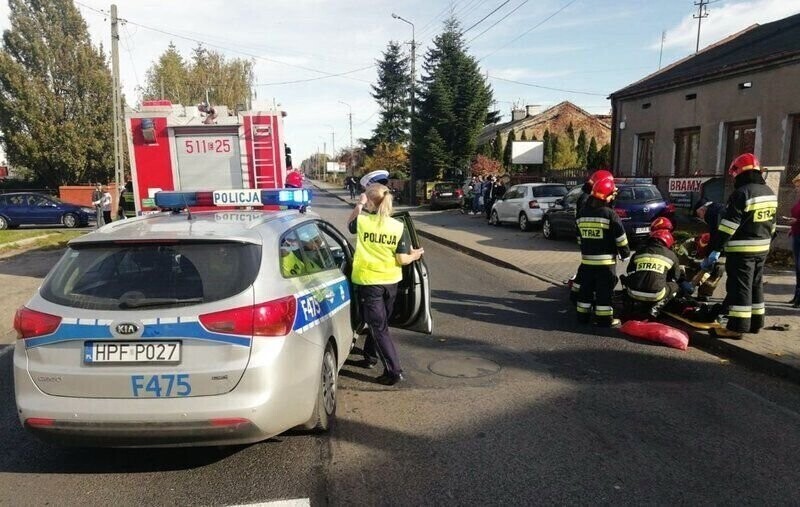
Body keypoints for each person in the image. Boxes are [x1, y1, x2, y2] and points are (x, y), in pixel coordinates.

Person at [348, 183, 424, 385]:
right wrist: (415, 255)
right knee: (380, 324)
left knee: (378, 327)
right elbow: (402, 260)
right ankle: (370, 357)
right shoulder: (398, 226)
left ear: (370, 202)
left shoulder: (363, 222)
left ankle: (394, 371)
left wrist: (359, 204)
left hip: (369, 282)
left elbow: (350, 223)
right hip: (391, 283)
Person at [703, 153, 778, 335]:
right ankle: (755, 323)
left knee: (740, 287)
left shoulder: (741, 193)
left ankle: (736, 328)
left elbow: (729, 226)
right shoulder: (769, 192)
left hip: (742, 250)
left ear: (737, 173)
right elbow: (773, 225)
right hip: (762, 248)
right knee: (755, 285)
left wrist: (716, 249)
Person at [575, 178, 630, 327]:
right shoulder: (610, 214)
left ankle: (582, 316)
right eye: (612, 195)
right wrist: (625, 253)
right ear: (605, 196)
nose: (613, 197)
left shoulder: (581, 213)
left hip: (586, 262)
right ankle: (604, 319)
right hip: (605, 264)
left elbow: (579, 238)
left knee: (585, 289)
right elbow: (621, 238)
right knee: (604, 292)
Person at [570, 169, 615, 304]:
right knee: (588, 274)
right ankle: (578, 295)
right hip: (595, 245)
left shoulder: (588, 196)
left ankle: (577, 295)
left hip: (589, 243)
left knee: (585, 271)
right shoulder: (588, 199)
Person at [623, 229, 686, 318]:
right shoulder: (671, 255)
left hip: (633, 293)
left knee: (630, 279)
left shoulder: (639, 251)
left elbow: (629, 271)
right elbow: (675, 277)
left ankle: (630, 304)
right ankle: (656, 308)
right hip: (656, 295)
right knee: (675, 286)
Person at [784, 173, 800, 307]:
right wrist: (793, 226)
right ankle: (797, 297)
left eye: (798, 185)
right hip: (796, 235)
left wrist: (797, 221)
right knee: (798, 268)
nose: (797, 188)